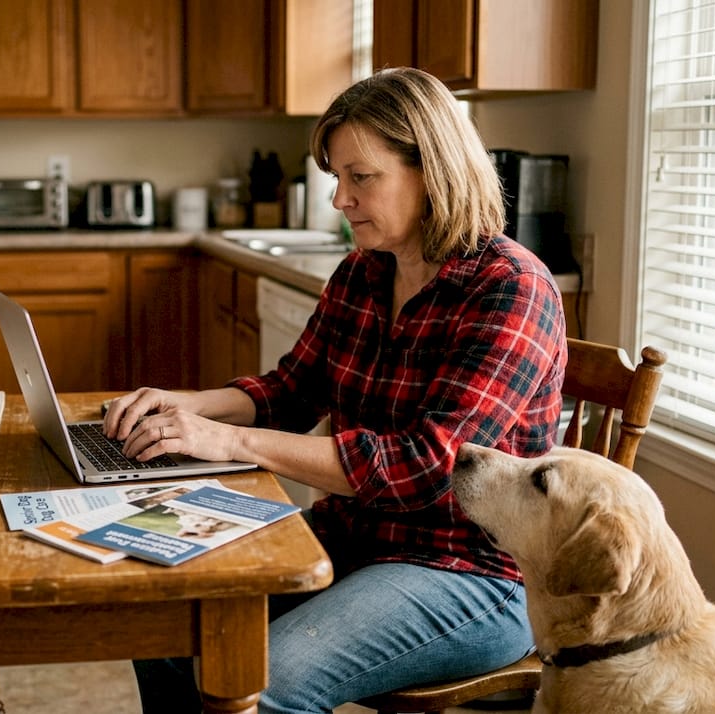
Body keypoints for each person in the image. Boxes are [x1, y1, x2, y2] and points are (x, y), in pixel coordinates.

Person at [103, 67, 568, 713]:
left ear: (431, 169)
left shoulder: (510, 287)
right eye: (337, 178)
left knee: (270, 684)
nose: (340, 199)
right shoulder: (364, 271)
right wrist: (188, 405)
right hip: (351, 539)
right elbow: (295, 389)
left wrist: (229, 439)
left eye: (361, 177)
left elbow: (428, 468)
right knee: (164, 618)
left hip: (468, 573)